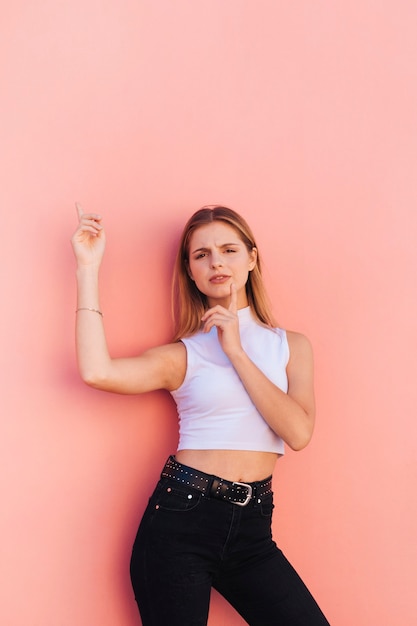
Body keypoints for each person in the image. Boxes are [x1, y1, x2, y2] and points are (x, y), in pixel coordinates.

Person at [71, 203, 330, 626]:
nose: (216, 263)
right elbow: (97, 371)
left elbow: (298, 432)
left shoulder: (292, 347)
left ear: (252, 257)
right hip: (181, 522)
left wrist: (236, 352)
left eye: (229, 250)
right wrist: (87, 268)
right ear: (190, 271)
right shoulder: (184, 355)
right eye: (201, 255)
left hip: (253, 531)